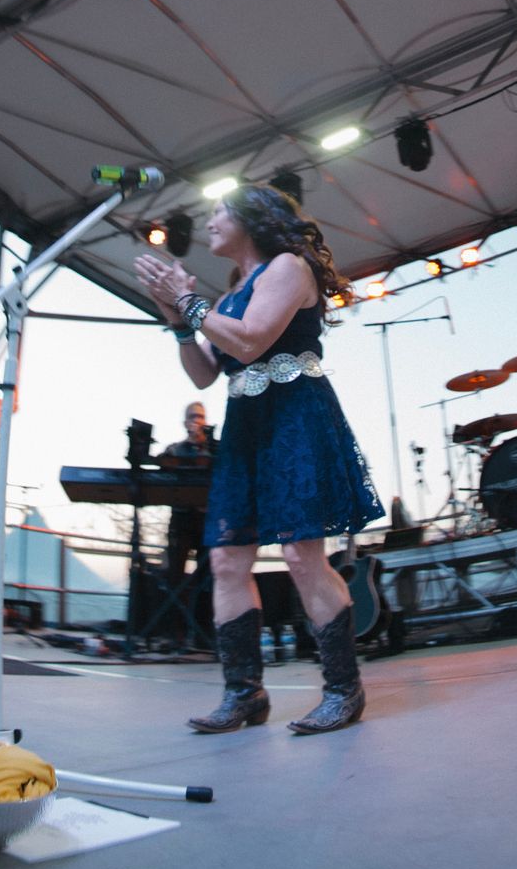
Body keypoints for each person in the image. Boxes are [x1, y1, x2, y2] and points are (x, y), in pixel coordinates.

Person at [135, 184, 385, 735]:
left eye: (219, 212)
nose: (209, 222)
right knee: (227, 560)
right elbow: (204, 373)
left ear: (252, 219)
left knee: (301, 554)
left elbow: (250, 342)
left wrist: (188, 302)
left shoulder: (288, 268)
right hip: (246, 427)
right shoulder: (228, 295)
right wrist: (176, 319)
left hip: (295, 417)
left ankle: (344, 690)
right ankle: (244, 694)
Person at [157, 402, 214, 645]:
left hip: (205, 518)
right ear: (185, 422)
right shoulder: (175, 449)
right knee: (175, 576)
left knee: (207, 578)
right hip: (181, 518)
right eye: (192, 416)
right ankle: (175, 634)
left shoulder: (214, 449)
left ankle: (203, 635)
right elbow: (162, 465)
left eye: (200, 417)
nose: (196, 420)